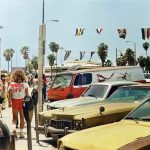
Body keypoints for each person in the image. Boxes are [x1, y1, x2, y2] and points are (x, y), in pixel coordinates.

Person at [8, 70, 29, 138]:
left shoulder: (11, 84)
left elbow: (10, 94)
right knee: (22, 117)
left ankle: (14, 133)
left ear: (14, 76)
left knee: (14, 118)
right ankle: (21, 133)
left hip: (14, 101)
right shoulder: (24, 84)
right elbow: (27, 95)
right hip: (23, 102)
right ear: (22, 76)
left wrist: (9, 102)